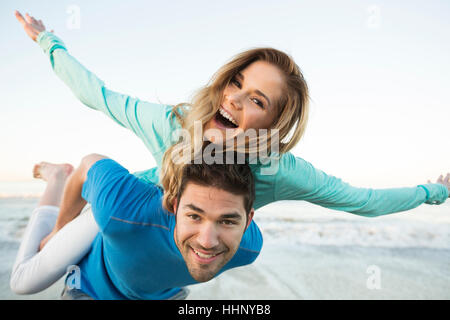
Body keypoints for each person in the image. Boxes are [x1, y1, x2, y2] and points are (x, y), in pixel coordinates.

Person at [11, 10, 449, 295]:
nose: (235, 100)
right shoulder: (174, 124)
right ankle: (55, 178)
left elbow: (363, 201)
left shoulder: (278, 171)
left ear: (274, 123)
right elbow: (98, 95)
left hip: (174, 256)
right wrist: (49, 41)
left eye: (257, 100)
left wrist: (433, 192)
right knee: (28, 283)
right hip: (124, 214)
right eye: (236, 82)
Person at [11, 152, 261, 299]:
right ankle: (56, 178)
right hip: (94, 287)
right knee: (23, 282)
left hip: (159, 293)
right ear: (175, 207)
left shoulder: (247, 248)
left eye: (227, 221)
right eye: (195, 216)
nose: (208, 240)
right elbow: (89, 163)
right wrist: (59, 229)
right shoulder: (122, 207)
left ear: (247, 221)